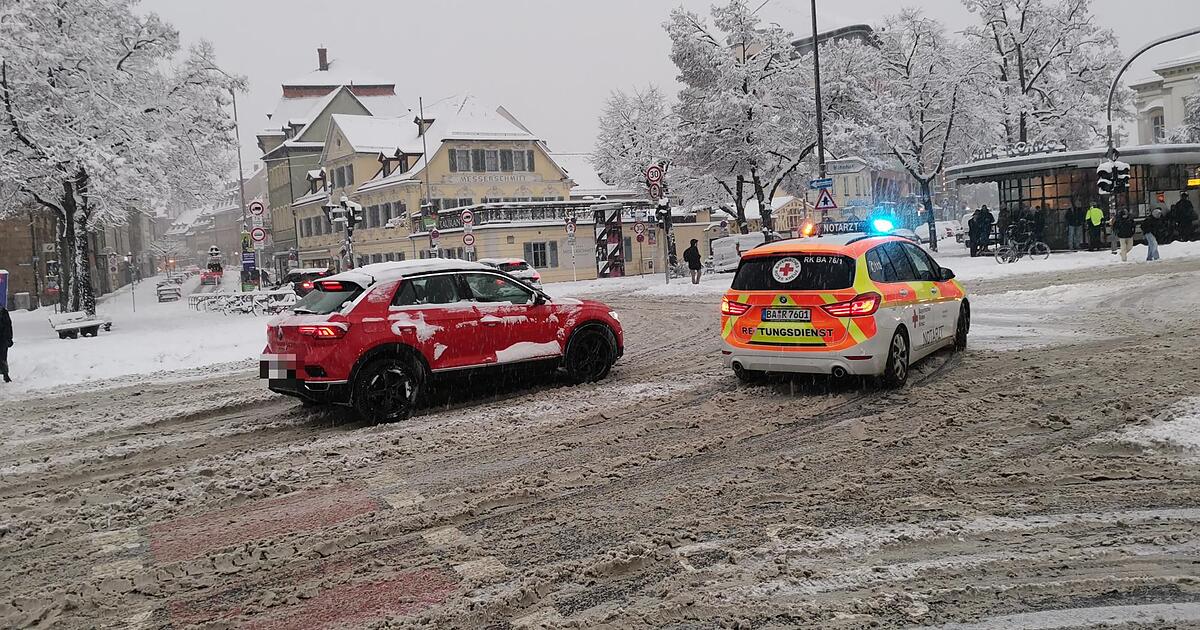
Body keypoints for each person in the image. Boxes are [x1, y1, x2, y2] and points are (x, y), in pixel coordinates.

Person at [0, 306, 12, 383]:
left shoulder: (4, 312)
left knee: (3, 357)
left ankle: (5, 374)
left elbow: (8, 325)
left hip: (3, 339)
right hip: (3, 338)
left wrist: (9, 338)